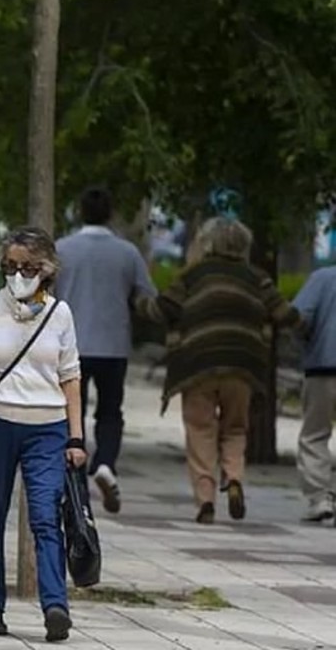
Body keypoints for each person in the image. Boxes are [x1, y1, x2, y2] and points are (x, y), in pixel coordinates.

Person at [0, 226, 84, 642]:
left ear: (46, 269)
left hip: (47, 428)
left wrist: (76, 437)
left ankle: (55, 605)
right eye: (10, 266)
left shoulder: (61, 315)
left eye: (28, 267)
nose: (18, 274)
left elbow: (71, 376)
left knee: (45, 518)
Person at [135, 217, 301, 524]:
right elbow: (286, 314)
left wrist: (137, 302)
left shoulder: (193, 275)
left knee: (201, 429)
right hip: (243, 366)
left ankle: (205, 499)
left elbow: (162, 310)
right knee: (235, 428)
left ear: (207, 242)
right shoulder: (256, 278)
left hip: (197, 364)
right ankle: (235, 478)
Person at [54, 187, 157, 514]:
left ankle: (77, 485)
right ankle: (106, 463)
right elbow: (146, 296)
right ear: (111, 214)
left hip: (71, 346)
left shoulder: (62, 250)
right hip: (113, 345)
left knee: (74, 415)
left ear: (79, 212)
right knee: (111, 412)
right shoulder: (127, 253)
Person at [292, 264, 336, 522]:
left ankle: (319, 498)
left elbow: (299, 318)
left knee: (315, 434)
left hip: (323, 366)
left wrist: (307, 343)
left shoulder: (322, 278)